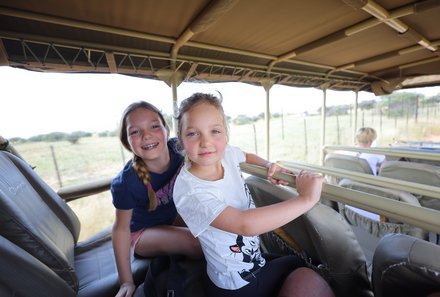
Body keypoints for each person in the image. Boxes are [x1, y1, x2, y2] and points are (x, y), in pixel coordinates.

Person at [173, 93, 335, 297]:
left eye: (215, 131)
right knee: (306, 274)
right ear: (180, 138)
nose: (206, 142)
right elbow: (244, 225)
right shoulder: (189, 191)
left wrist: (268, 166)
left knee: (298, 263)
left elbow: (246, 155)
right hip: (236, 284)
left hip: (253, 262)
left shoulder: (226, 154)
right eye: (193, 134)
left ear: (226, 134)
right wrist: (306, 199)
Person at [111, 101, 202, 297]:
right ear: (127, 142)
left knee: (216, 227)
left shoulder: (179, 148)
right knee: (196, 243)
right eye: (135, 132)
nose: (146, 135)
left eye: (154, 126)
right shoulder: (126, 182)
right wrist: (126, 282)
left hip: (173, 219)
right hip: (142, 234)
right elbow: (121, 229)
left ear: (167, 129)